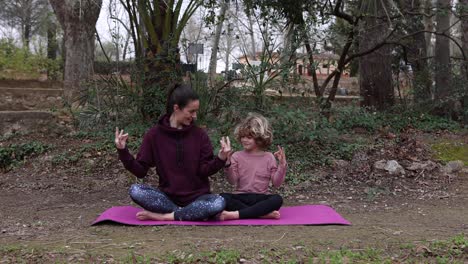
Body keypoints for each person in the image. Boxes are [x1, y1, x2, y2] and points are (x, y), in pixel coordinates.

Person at [114, 83, 231, 221]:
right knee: (135, 190)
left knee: (218, 202)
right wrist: (123, 151)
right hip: (167, 199)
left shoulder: (200, 135)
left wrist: (221, 158)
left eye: (196, 111)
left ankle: (167, 217)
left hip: (198, 198)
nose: (195, 116)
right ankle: (188, 214)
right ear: (176, 108)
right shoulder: (154, 135)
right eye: (191, 111)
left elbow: (204, 170)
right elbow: (140, 171)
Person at [219, 113, 287, 221]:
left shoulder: (269, 157)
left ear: (259, 138)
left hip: (260, 198)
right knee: (222, 197)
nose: (244, 140)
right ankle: (261, 214)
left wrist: (282, 165)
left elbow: (276, 183)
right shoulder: (236, 156)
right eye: (243, 137)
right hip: (240, 197)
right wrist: (227, 162)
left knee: (277, 199)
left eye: (249, 137)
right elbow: (232, 181)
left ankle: (235, 214)